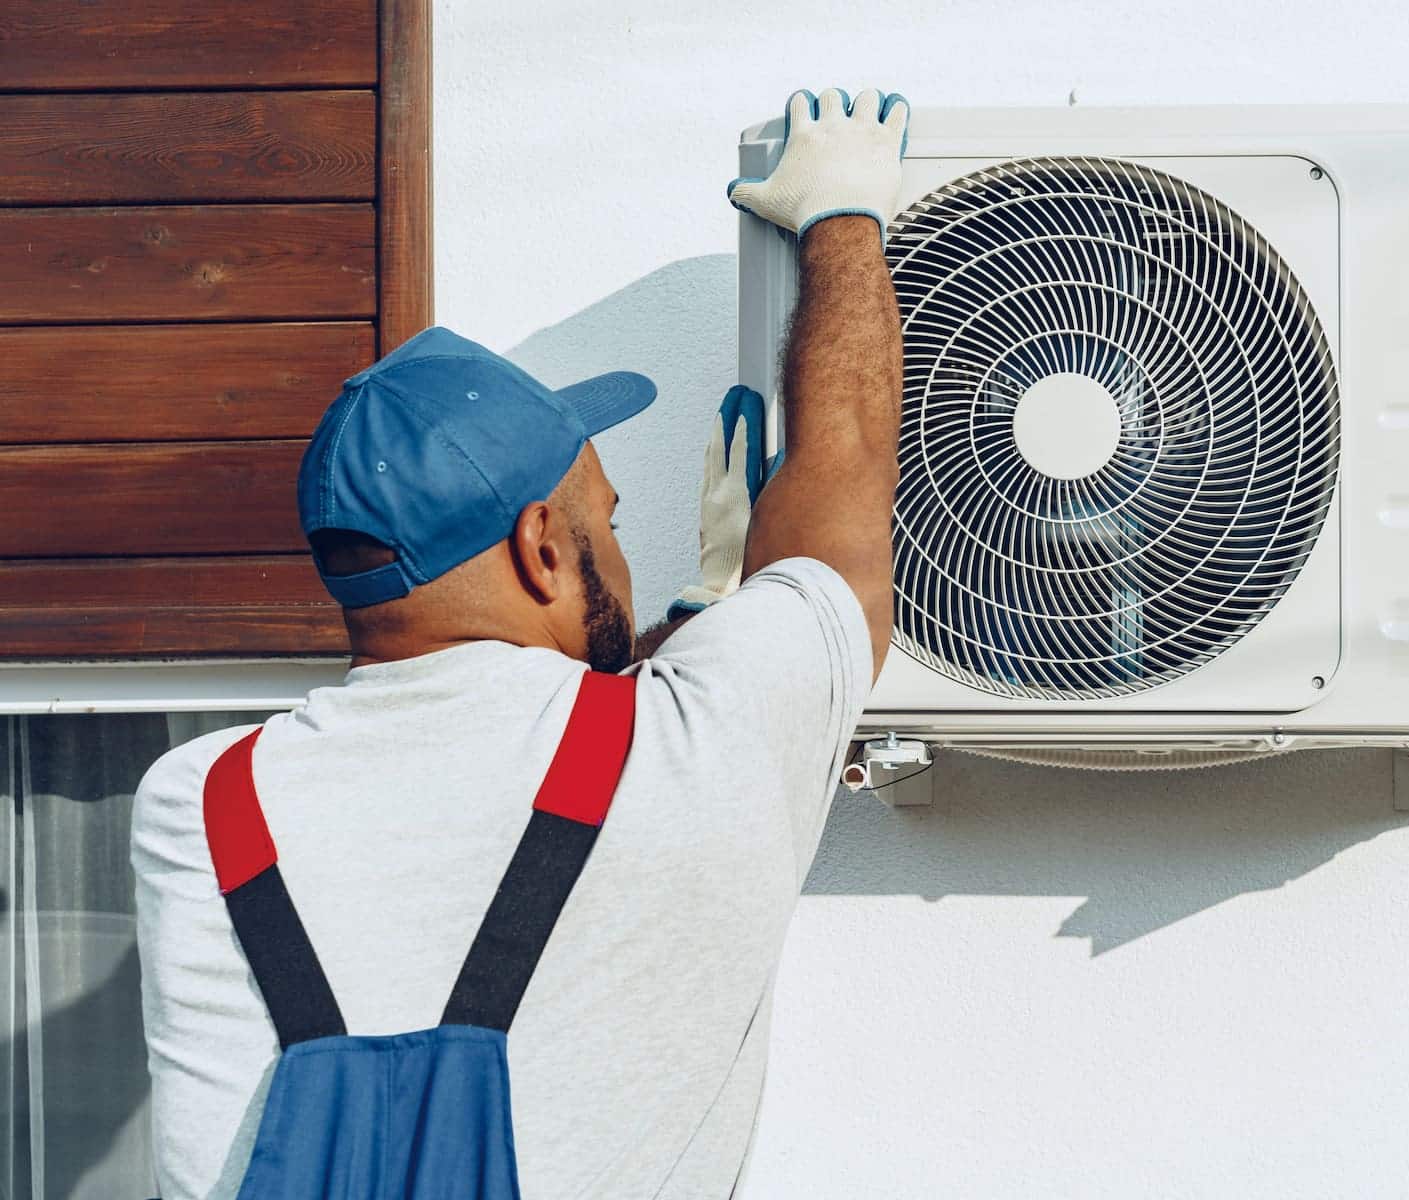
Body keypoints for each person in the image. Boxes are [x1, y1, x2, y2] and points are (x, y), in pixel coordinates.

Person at [131, 87, 906, 1198]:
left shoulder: (198, 806)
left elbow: (482, 773)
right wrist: (844, 215)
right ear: (543, 547)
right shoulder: (704, 742)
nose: (620, 548)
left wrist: (694, 622)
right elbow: (844, 475)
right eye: (610, 521)